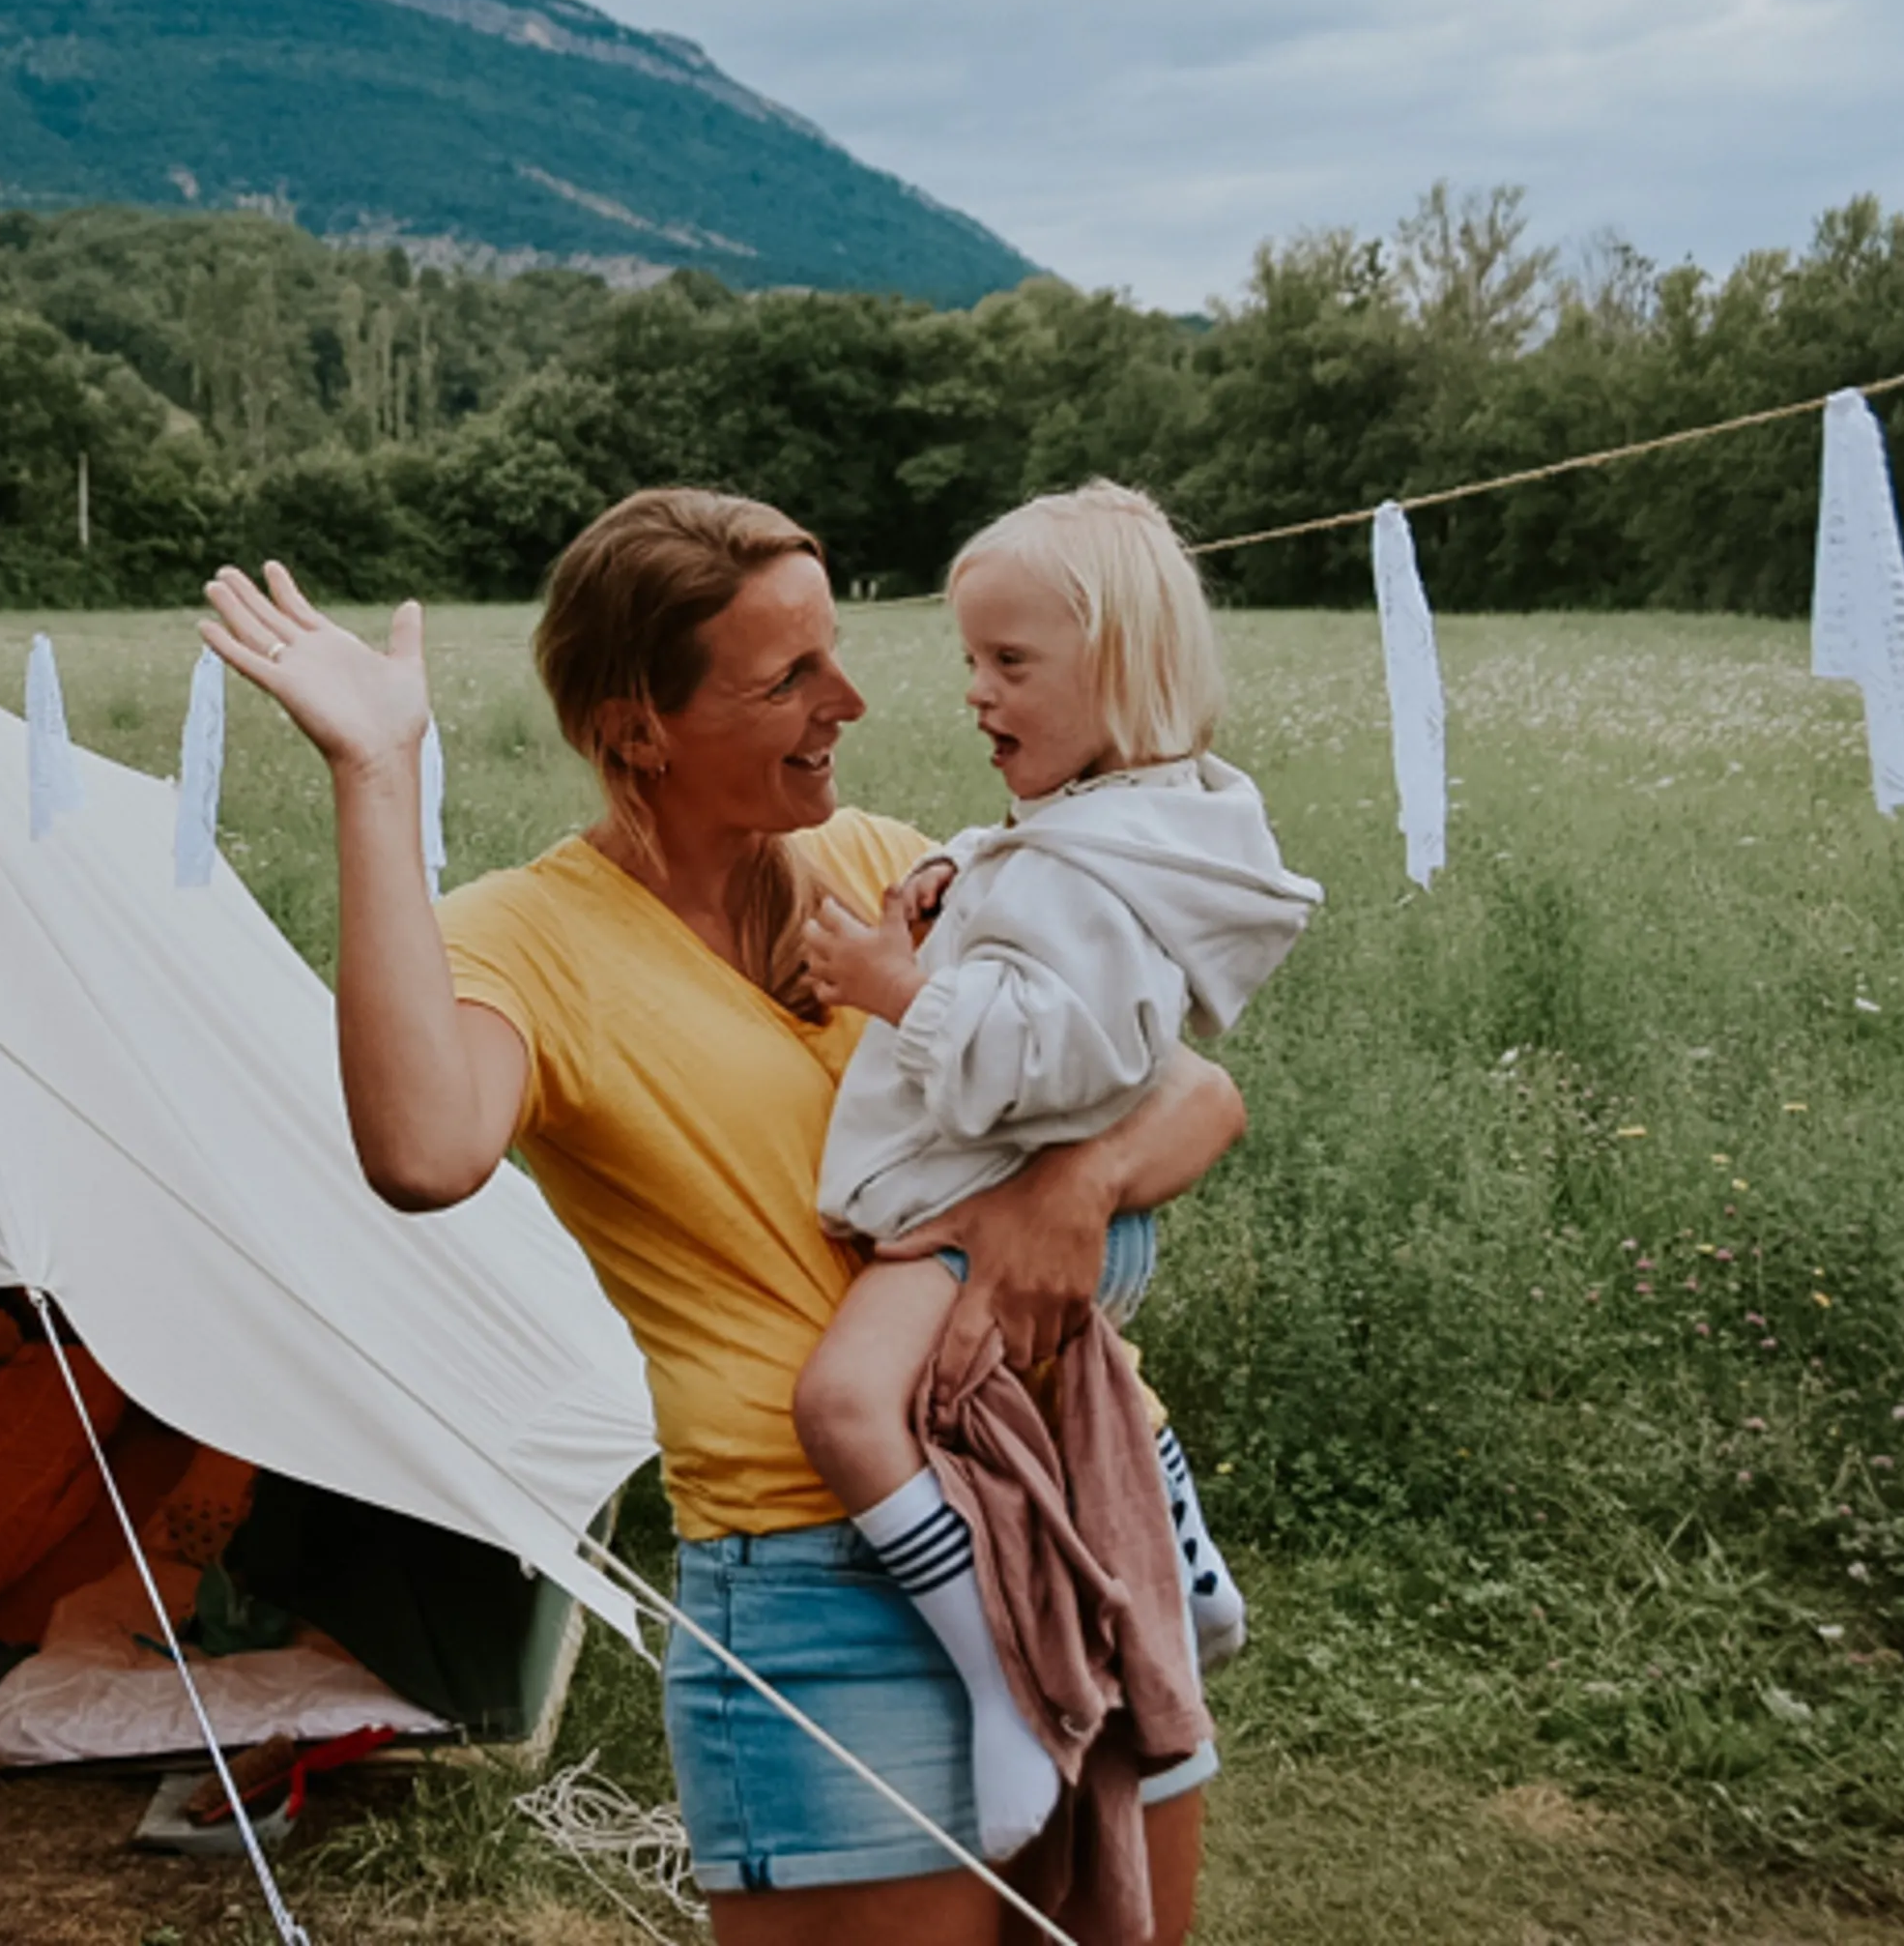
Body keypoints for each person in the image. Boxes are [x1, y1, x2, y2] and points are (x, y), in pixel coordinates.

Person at [203, 489, 1245, 1945]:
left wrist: (1064, 1191)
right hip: (827, 1577)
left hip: (1079, 1503)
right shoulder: (527, 941)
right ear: (641, 728)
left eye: (833, 653)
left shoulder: (889, 865)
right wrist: (378, 773)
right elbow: (424, 1153)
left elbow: (1194, 1095)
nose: (854, 701)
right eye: (788, 680)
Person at [789, 481, 1318, 1862]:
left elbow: (1072, 1053)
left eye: (1010, 663)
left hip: (996, 1211)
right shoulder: (1125, 827)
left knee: (848, 1407)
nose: (976, 692)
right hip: (1046, 1203)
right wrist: (949, 876)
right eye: (973, 660)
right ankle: (1186, 1573)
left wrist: (898, 988)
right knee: (1094, 1386)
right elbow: (1041, 868)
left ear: (1122, 671)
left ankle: (1000, 1685)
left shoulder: (1095, 871)